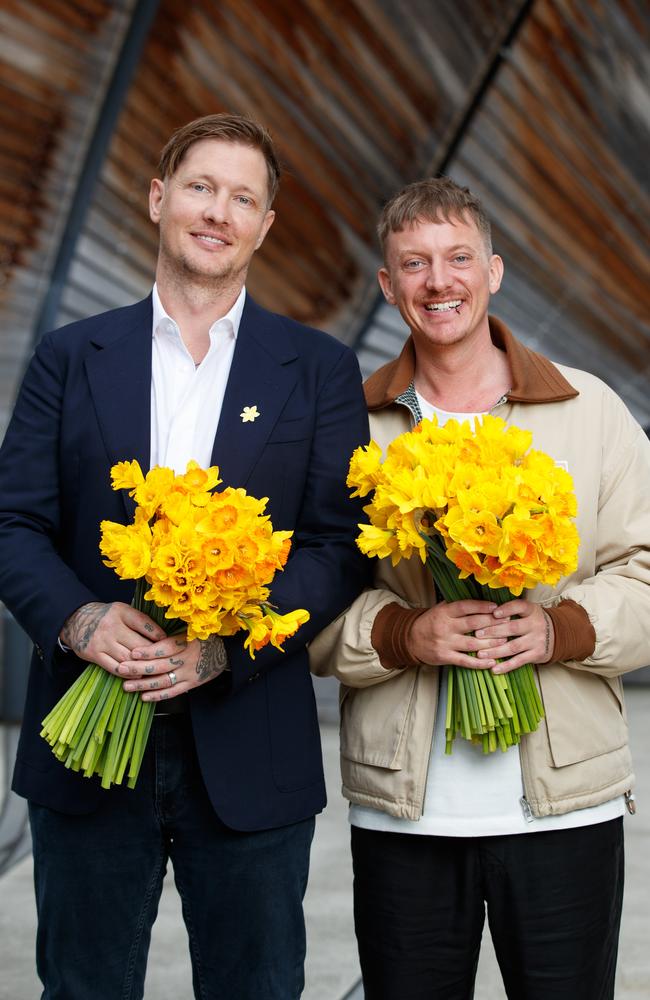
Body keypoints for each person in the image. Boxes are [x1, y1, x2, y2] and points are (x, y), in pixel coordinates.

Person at [0, 113, 369, 1000]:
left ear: (265, 225)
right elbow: (13, 522)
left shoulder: (319, 369)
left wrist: (224, 648)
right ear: (160, 197)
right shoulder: (69, 357)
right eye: (202, 187)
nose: (219, 211)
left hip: (250, 745)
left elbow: (336, 548)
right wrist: (81, 619)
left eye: (244, 198)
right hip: (87, 749)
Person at [310, 176, 650, 1000]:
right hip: (404, 813)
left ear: (493, 271)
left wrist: (558, 628)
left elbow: (644, 570)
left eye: (459, 257)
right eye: (415, 264)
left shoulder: (588, 408)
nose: (440, 281)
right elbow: (307, 602)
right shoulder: (351, 423)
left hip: (565, 808)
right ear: (388, 287)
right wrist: (403, 636)